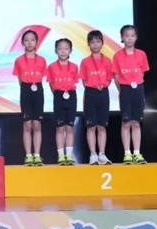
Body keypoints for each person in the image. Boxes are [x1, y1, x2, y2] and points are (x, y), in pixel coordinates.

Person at [113, 24, 150, 164]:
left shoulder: (141, 54)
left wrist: (136, 85)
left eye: (132, 36)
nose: (129, 38)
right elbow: (116, 76)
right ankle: (127, 153)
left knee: (136, 122)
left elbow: (143, 73)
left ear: (136, 37)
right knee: (126, 122)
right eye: (127, 36)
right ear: (122, 38)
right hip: (125, 90)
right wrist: (122, 90)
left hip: (138, 89)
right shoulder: (117, 56)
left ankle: (137, 153)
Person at [13, 30, 47, 166]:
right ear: (22, 43)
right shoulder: (19, 60)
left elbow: (43, 76)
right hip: (26, 90)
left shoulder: (42, 60)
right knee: (27, 124)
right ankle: (28, 155)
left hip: (38, 90)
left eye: (32, 40)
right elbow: (19, 80)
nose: (29, 43)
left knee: (37, 124)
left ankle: (37, 155)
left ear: (37, 42)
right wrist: (26, 87)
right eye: (26, 40)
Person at [80, 30, 113, 165]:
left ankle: (102, 154)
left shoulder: (107, 61)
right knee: (91, 126)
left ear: (102, 43)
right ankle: (93, 154)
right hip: (90, 94)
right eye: (92, 42)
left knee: (102, 126)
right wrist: (93, 86)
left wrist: (102, 85)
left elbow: (109, 78)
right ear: (89, 44)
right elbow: (83, 80)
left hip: (103, 93)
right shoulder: (85, 62)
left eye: (98, 41)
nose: (95, 44)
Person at [47, 39, 79, 165]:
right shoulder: (51, 67)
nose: (63, 51)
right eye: (60, 49)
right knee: (60, 127)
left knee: (69, 127)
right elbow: (51, 84)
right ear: (56, 51)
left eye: (66, 48)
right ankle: (61, 156)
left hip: (71, 96)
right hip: (58, 96)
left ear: (70, 51)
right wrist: (58, 94)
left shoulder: (74, 67)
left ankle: (69, 155)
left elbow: (75, 82)